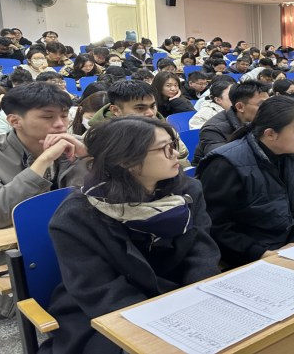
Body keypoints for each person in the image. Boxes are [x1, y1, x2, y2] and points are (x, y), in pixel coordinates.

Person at [38, 116, 220, 354]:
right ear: (126, 161)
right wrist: (164, 324)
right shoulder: (75, 216)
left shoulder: (187, 190)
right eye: (164, 148)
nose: (176, 154)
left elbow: (201, 250)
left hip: (178, 296)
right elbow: (99, 289)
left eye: (173, 145)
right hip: (105, 314)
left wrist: (201, 301)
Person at [198, 97, 294, 268]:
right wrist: (261, 254)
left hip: (292, 246)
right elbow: (214, 225)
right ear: (270, 133)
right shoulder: (226, 164)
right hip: (248, 255)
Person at [0, 83, 87, 229]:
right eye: (48, 117)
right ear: (15, 121)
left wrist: (92, 158)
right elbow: (0, 215)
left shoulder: (83, 146)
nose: (60, 124)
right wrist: (44, 160)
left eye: (64, 116)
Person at [88, 80, 192, 167]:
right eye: (140, 108)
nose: (151, 113)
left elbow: (182, 161)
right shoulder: (98, 137)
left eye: (152, 106)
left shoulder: (165, 129)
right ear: (116, 110)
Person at [192, 81, 270, 166]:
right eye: (261, 104)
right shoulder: (213, 129)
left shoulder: (264, 121)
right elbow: (224, 162)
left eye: (269, 103)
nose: (268, 108)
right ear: (240, 107)